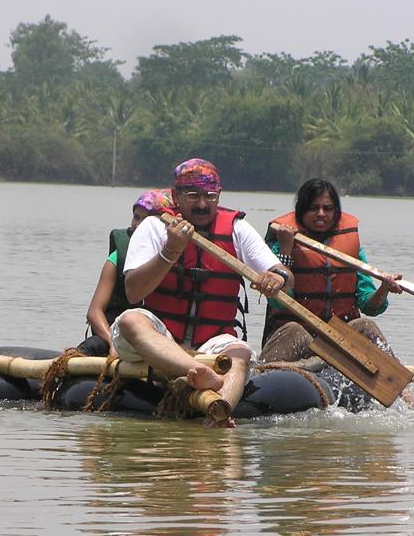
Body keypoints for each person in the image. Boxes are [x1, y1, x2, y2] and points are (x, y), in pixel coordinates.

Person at [111, 158, 293, 425]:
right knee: (130, 320)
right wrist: (170, 251)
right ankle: (203, 375)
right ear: (176, 196)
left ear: (219, 195)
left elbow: (286, 278)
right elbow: (133, 291)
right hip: (162, 339)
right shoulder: (154, 227)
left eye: (210, 196)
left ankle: (220, 411)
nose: (202, 204)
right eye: (193, 195)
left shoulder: (237, 229)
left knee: (240, 353)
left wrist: (277, 278)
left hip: (213, 342)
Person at [261, 177, 412, 409]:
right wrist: (286, 249)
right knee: (295, 329)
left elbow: (371, 305)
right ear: (301, 210)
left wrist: (383, 288)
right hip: (298, 339)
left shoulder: (350, 249)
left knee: (366, 325)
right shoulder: (281, 242)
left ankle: (405, 396)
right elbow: (279, 303)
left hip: (338, 342)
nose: (321, 214)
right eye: (313, 208)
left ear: (336, 212)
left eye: (328, 208)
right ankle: (260, 384)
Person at [76, 189, 174, 358]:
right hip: (117, 335)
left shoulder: (175, 256)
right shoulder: (118, 257)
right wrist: (112, 343)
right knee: (91, 346)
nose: (138, 224)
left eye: (146, 219)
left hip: (157, 338)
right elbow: (94, 312)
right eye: (136, 217)